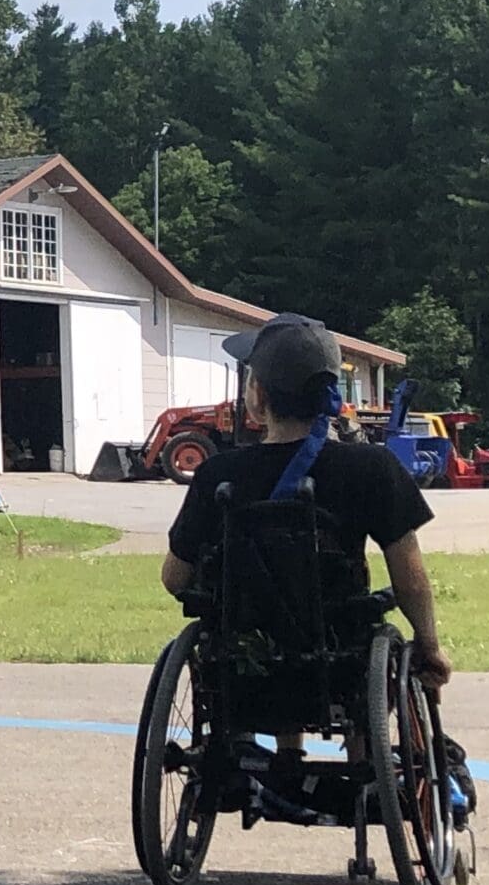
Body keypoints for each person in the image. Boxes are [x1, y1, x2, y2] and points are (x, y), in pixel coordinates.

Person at [159, 312, 471, 813]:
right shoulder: (371, 468)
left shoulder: (219, 475)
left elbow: (175, 579)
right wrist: (429, 647)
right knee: (360, 629)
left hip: (246, 667)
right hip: (342, 664)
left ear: (257, 395)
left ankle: (285, 756)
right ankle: (365, 763)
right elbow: (408, 577)